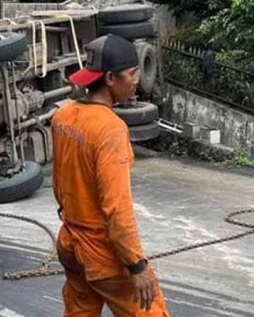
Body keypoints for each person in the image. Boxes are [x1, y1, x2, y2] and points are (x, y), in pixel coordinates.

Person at [51, 34, 169, 316]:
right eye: (131, 74)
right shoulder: (110, 129)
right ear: (110, 79)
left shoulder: (63, 117)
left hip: (70, 243)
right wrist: (137, 267)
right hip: (103, 256)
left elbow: (59, 187)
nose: (136, 81)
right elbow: (117, 208)